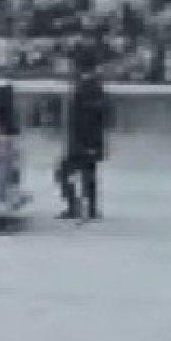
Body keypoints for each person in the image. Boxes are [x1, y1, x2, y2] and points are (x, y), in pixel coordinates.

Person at [55, 50, 108, 221]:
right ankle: (89, 208)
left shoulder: (88, 87)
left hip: (83, 140)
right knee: (87, 173)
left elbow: (89, 117)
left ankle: (76, 206)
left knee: (65, 172)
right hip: (87, 140)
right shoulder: (92, 86)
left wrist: (85, 143)